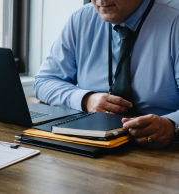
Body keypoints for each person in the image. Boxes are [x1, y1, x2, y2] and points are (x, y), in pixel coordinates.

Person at [34, 0, 179, 148]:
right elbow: (44, 81)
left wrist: (172, 126)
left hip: (164, 152)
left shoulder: (175, 18)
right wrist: (86, 100)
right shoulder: (81, 18)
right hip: (92, 145)